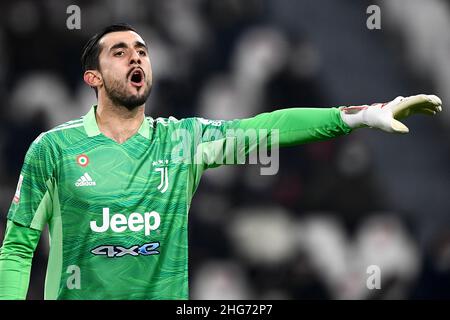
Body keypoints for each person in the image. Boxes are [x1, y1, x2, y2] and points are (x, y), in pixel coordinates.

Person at [0, 23, 442, 300]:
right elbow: (18, 248)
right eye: (119, 51)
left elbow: (269, 127)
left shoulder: (182, 141)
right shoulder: (52, 150)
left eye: (142, 50)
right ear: (93, 78)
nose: (136, 55)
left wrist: (361, 115)